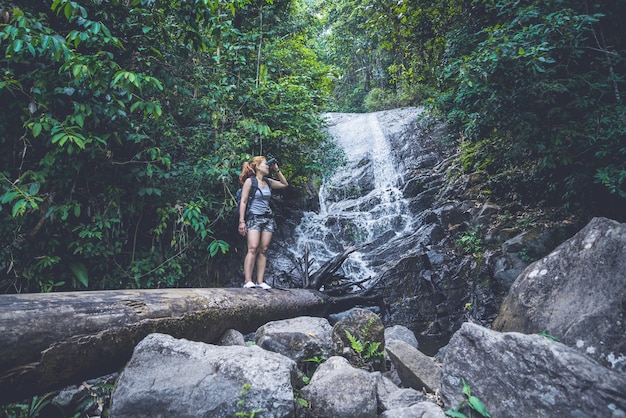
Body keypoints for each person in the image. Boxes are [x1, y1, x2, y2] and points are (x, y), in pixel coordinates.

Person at [238, 156, 288, 289]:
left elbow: (284, 184)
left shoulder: (268, 182)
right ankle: (248, 281)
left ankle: (260, 281)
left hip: (267, 219)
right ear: (258, 167)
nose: (268, 167)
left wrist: (276, 169)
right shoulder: (250, 181)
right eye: (266, 164)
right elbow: (243, 201)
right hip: (253, 217)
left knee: (264, 250)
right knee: (253, 248)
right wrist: (242, 221)